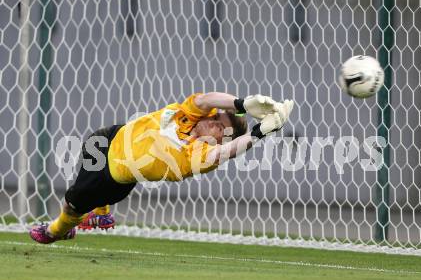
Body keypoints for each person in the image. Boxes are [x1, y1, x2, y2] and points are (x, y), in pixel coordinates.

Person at [29, 92, 294, 244]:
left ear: (221, 134)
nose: (210, 115)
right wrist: (243, 104)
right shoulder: (189, 115)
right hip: (110, 137)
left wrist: (259, 133)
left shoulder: (197, 155)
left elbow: (226, 153)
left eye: (216, 119)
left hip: (110, 178)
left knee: (72, 203)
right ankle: (101, 214)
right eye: (214, 114)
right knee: (92, 141)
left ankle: (57, 231)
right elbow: (206, 99)